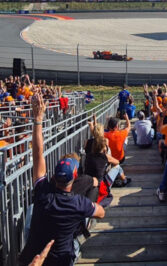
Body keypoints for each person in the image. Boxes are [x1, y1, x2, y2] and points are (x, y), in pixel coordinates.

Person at [18, 94, 105, 266]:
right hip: (61, 260)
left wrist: (37, 120)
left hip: (32, 259)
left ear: (53, 176)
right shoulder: (78, 203)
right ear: (75, 176)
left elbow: (38, 155)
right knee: (75, 243)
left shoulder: (43, 192)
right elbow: (101, 212)